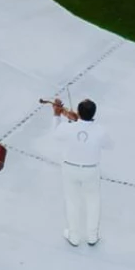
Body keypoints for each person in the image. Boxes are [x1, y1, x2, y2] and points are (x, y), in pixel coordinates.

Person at [47, 97, 103, 247]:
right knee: (93, 201)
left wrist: (57, 115)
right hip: (91, 170)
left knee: (72, 201)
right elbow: (109, 144)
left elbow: (55, 134)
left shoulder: (68, 127)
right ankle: (92, 236)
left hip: (70, 168)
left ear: (78, 111)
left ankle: (74, 237)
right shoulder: (99, 129)